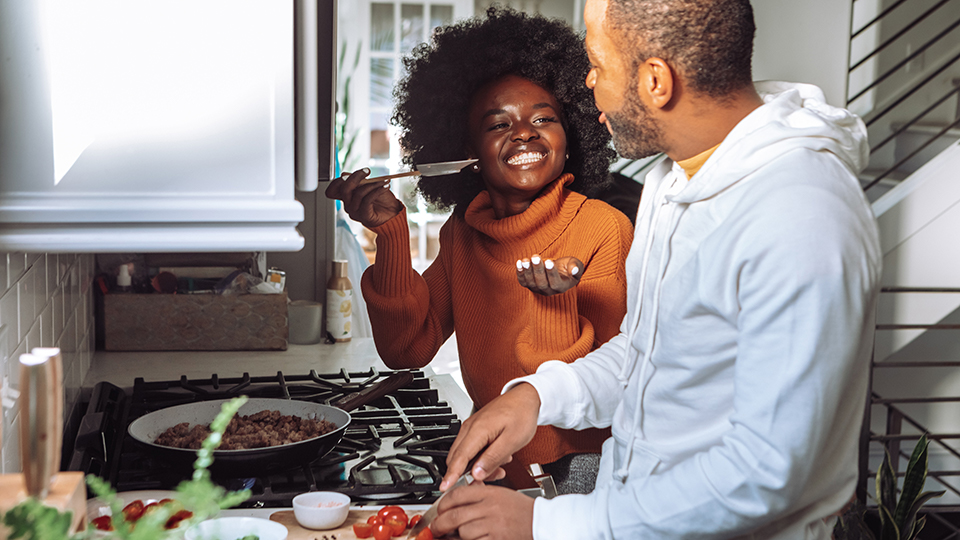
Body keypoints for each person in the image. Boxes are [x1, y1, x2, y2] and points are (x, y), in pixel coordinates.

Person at [433, 0, 883, 538]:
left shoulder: (801, 213)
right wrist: (537, 396)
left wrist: (549, 524)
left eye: (598, 64)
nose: (588, 81)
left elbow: (768, 472)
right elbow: (650, 352)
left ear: (655, 81)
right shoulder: (676, 182)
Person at [325, 7, 634, 493]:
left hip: (581, 471)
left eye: (543, 118)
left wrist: (553, 302)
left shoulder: (603, 228)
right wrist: (390, 235)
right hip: (494, 462)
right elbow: (408, 349)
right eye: (498, 124)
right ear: (466, 153)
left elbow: (616, 382)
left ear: (571, 137)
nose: (524, 132)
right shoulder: (463, 234)